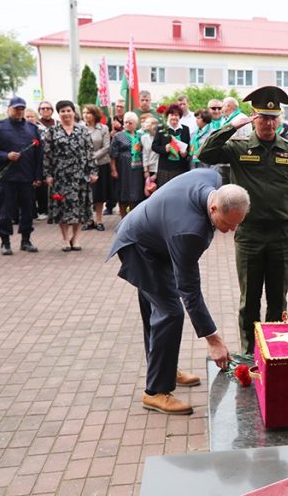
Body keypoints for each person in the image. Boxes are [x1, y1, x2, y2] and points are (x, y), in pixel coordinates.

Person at [108, 169, 248, 415]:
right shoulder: (189, 232)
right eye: (226, 224)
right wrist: (213, 340)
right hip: (140, 248)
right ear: (213, 208)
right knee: (170, 312)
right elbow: (189, 290)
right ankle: (156, 392)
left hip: (156, 239)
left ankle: (164, 368)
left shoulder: (211, 178)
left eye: (237, 224)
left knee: (160, 310)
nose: (230, 231)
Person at [199, 85, 288, 355]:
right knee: (249, 300)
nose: (269, 123)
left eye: (274, 117)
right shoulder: (238, 147)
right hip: (250, 234)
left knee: (277, 300)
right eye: (263, 116)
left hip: (282, 235)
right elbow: (205, 153)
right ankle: (250, 354)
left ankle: (273, 353)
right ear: (253, 117)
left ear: (279, 119)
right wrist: (230, 126)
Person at [0, 96, 43, 255]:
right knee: (5, 211)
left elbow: (39, 155)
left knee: (28, 211)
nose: (19, 111)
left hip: (27, 177)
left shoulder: (32, 128)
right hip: (6, 178)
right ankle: (5, 241)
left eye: (22, 108)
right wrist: (5, 155)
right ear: (9, 109)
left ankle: (26, 240)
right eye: (16, 108)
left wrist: (38, 176)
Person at [42, 100, 98, 251]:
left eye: (68, 110)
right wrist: (48, 174)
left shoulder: (83, 130)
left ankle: (76, 238)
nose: (66, 114)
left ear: (74, 112)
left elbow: (90, 152)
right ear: (58, 114)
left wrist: (93, 171)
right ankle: (65, 238)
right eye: (62, 111)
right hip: (60, 176)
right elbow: (47, 155)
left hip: (80, 175)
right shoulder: (52, 131)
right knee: (62, 208)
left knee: (79, 207)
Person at [110, 112, 146, 218]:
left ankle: (133, 218)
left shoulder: (141, 136)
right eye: (125, 122)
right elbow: (112, 155)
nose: (127, 124)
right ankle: (123, 218)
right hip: (123, 169)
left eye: (130, 123)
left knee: (136, 192)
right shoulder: (118, 136)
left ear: (135, 124)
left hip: (137, 168)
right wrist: (113, 170)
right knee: (123, 193)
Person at [81, 105, 111, 231]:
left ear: (95, 114)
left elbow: (106, 147)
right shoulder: (79, 128)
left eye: (89, 113)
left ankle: (99, 220)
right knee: (87, 194)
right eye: (84, 113)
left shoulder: (103, 128)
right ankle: (89, 219)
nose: (86, 115)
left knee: (99, 194)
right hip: (84, 166)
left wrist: (92, 157)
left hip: (101, 164)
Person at [152, 104, 190, 187]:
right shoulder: (161, 128)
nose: (174, 117)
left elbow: (189, 146)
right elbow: (154, 146)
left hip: (181, 168)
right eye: (172, 114)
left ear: (180, 117)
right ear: (167, 116)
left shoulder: (185, 129)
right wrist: (164, 149)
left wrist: (185, 153)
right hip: (165, 169)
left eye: (176, 115)